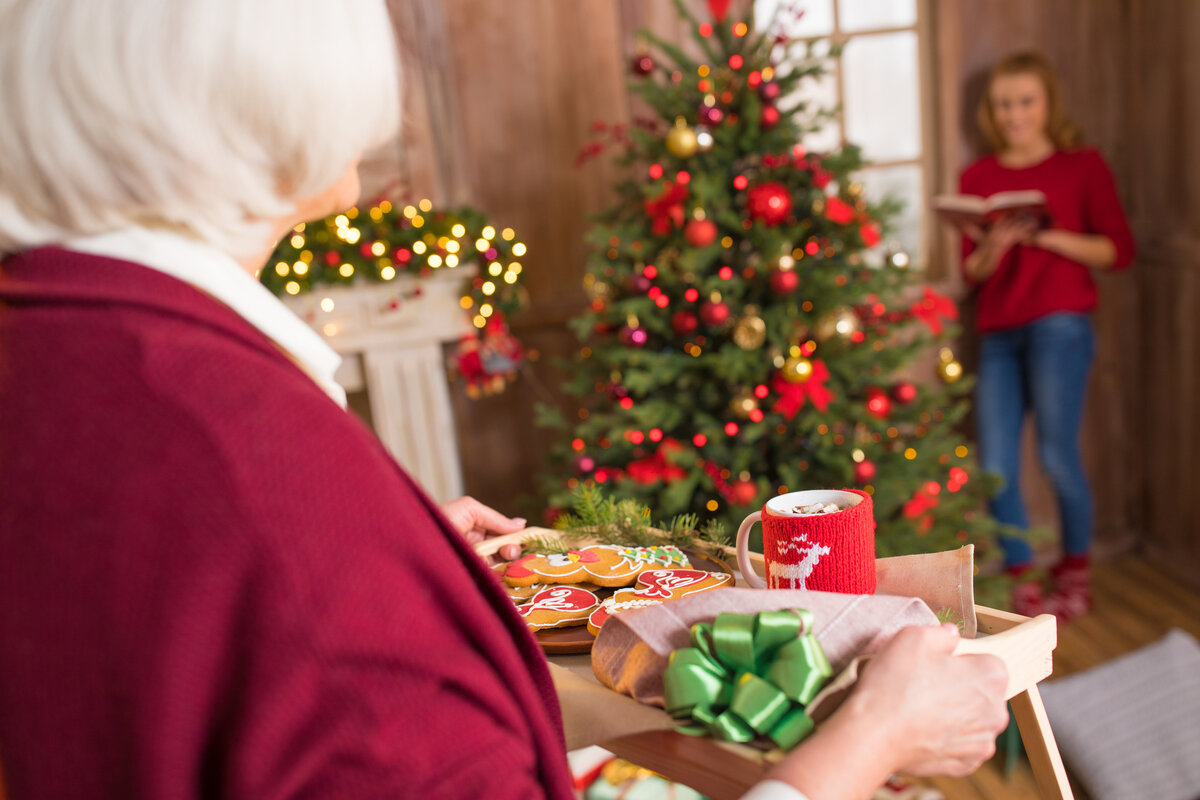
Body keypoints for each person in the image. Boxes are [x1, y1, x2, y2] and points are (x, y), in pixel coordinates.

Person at [0, 1, 1008, 798]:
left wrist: (394, 565)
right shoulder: (257, 460)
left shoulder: (50, 347)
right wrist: (875, 735)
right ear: (265, 92)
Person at [959, 52, 1135, 620]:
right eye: (1004, 104)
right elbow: (972, 273)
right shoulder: (978, 178)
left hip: (1061, 327)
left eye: (1025, 102)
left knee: (1059, 458)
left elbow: (1117, 251)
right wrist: (996, 245)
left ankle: (1074, 573)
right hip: (998, 334)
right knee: (998, 469)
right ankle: (1022, 579)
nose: (1014, 115)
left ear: (1047, 104)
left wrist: (1046, 237)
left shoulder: (1081, 166)